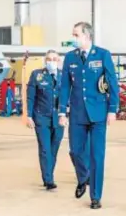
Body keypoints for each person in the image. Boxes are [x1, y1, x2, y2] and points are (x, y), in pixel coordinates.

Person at [58, 22, 119, 209]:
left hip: (98, 113)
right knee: (75, 151)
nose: (73, 38)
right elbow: (65, 86)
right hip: (77, 113)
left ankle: (95, 196)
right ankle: (84, 177)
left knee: (97, 156)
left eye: (76, 35)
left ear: (87, 36)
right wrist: (62, 110)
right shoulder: (70, 57)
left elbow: (112, 82)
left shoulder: (102, 55)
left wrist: (112, 109)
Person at [26, 49, 64, 190]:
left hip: (58, 119)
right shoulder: (37, 75)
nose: (51, 62)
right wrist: (29, 116)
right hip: (41, 117)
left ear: (59, 61)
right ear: (45, 60)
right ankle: (48, 179)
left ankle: (49, 173)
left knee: (54, 149)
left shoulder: (64, 76)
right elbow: (30, 97)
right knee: (45, 149)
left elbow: (68, 96)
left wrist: (66, 114)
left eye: (54, 59)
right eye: (49, 59)